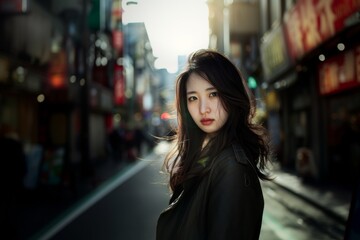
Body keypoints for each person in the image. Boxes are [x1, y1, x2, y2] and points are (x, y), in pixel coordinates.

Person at [156, 49, 272, 240]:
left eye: (213, 94)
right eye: (193, 98)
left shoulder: (232, 169)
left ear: (230, 95)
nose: (203, 109)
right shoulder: (208, 158)